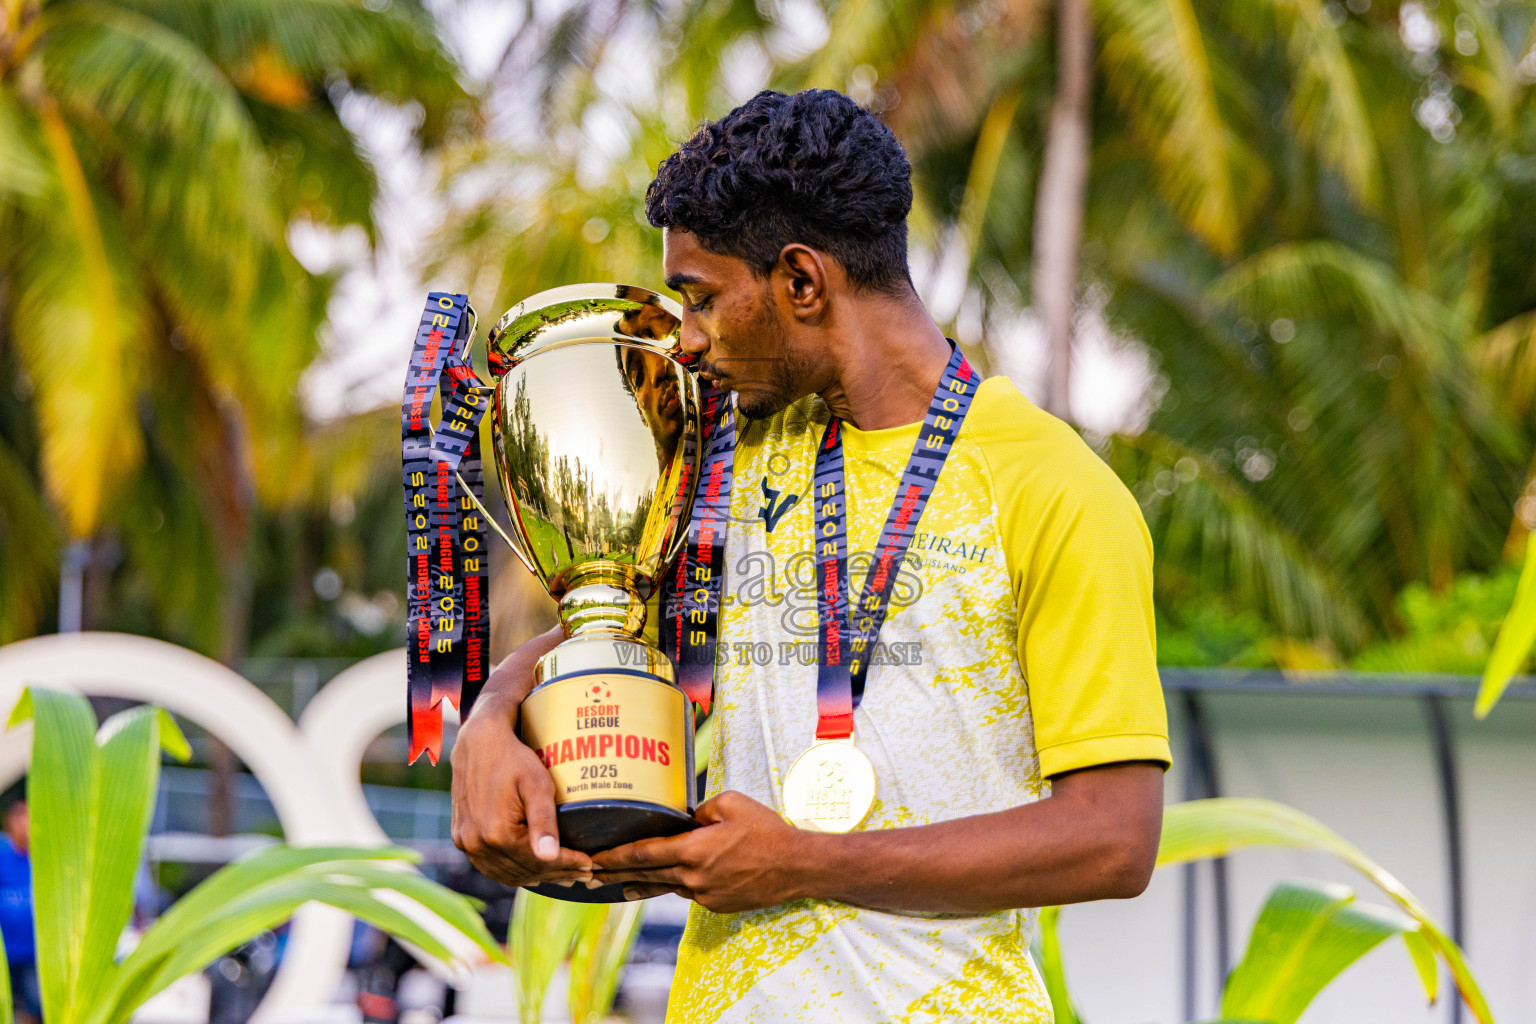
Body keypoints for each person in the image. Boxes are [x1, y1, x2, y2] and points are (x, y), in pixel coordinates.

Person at [452, 88, 1171, 1022]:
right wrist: (492, 715)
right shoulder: (726, 457)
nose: (691, 340)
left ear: (801, 281)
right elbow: (607, 626)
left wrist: (804, 863)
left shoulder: (1052, 488)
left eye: (702, 298)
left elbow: (1114, 839)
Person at [0, 799, 39, 1024]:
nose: (24, 824)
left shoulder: (41, 858)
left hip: (33, 954)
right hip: (5, 953)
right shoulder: (3, 855)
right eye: (19, 818)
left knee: (33, 1010)